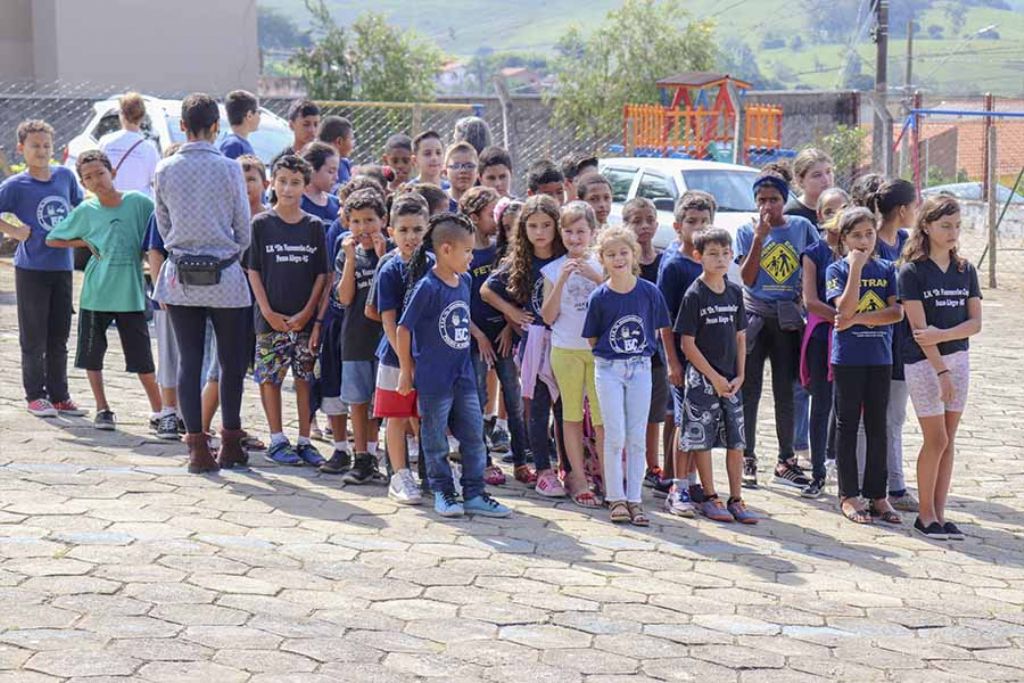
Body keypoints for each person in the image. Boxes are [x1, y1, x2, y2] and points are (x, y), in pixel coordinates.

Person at [151, 93, 252, 474]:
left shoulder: (165, 169)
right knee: (230, 361)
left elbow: (162, 225)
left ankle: (196, 448)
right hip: (225, 274)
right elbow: (243, 229)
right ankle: (230, 442)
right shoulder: (228, 168)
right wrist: (224, 250)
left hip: (180, 275)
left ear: (182, 126)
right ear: (216, 127)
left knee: (188, 360)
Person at [397, 213, 512, 519]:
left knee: (474, 435)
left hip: (463, 376)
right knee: (435, 439)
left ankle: (474, 492)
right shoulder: (427, 287)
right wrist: (407, 373)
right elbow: (403, 329)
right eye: (467, 252)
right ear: (446, 250)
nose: (472, 258)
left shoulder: (465, 281)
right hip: (433, 379)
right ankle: (442, 490)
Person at [46, 149, 162, 429]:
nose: (96, 180)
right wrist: (84, 242)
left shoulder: (139, 203)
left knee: (142, 359)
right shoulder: (86, 210)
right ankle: (103, 408)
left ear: (113, 172)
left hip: (131, 295)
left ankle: (161, 411)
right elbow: (53, 238)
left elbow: (156, 233)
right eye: (88, 177)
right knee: (92, 356)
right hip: (95, 295)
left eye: (100, 173)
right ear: (83, 184)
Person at [898, 195, 981, 540]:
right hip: (924, 362)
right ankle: (925, 515)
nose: (953, 232)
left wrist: (945, 334)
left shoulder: (965, 269)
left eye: (957, 226)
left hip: (958, 358)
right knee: (936, 438)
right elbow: (919, 332)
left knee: (949, 440)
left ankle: (941, 514)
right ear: (927, 227)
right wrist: (940, 371)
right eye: (945, 226)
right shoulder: (912, 271)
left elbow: (974, 323)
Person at [736, 168, 818, 490]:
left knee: (786, 391)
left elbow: (814, 263)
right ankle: (747, 455)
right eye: (762, 200)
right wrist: (759, 237)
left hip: (787, 320)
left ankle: (786, 460)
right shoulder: (747, 230)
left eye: (774, 200)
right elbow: (748, 277)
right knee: (749, 391)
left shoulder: (801, 228)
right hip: (755, 318)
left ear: (785, 200)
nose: (768, 206)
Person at [583, 227, 670, 527]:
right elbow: (593, 338)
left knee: (636, 437)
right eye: (611, 254)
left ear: (634, 254)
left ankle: (635, 498)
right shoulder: (600, 296)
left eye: (623, 252)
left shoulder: (649, 292)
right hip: (608, 367)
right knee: (614, 434)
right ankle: (615, 497)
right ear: (602, 259)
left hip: (641, 367)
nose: (618, 258)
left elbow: (657, 330)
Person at [480, 195, 567, 497]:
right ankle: (543, 469)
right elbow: (487, 289)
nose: (540, 232)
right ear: (523, 230)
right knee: (538, 407)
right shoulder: (519, 260)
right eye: (533, 226)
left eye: (546, 225)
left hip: (568, 344)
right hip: (534, 346)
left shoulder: (567, 257)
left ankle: (568, 468)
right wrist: (512, 313)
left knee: (566, 410)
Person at [246, 154, 328, 467]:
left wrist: (308, 313)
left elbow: (322, 275)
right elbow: (253, 269)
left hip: (302, 322)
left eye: (295, 183)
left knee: (305, 377)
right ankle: (277, 438)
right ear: (272, 183)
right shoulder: (262, 224)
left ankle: (305, 440)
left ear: (306, 186)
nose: (288, 188)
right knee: (271, 377)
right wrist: (266, 310)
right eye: (282, 181)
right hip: (271, 321)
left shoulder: (314, 226)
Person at [0, 119, 85, 418]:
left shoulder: (64, 176)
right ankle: (36, 395)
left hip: (62, 267)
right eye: (35, 146)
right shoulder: (15, 186)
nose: (41, 151)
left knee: (58, 334)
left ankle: (60, 395)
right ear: (21, 149)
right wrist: (14, 231)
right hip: (31, 269)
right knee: (33, 336)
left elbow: (80, 207)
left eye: (46, 145)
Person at [826, 206, 903, 525]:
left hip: (879, 358)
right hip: (848, 359)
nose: (864, 241)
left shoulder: (887, 268)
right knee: (846, 426)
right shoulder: (837, 270)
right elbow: (842, 308)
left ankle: (878, 494)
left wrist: (857, 319)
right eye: (856, 235)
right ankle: (848, 494)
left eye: (869, 234)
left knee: (878, 425)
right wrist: (855, 269)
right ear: (843, 239)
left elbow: (895, 313)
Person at [678, 228, 758, 524]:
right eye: (712, 253)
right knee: (702, 438)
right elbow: (688, 344)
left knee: (737, 441)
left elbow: (740, 337)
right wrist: (712, 376)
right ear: (698, 256)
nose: (720, 259)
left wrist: (740, 374)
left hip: (730, 379)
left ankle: (736, 497)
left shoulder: (735, 292)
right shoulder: (694, 294)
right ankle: (711, 496)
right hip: (702, 379)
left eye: (725, 253)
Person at [858, 178, 919, 512]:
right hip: (875, 339)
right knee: (871, 417)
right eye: (915, 205)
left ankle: (892, 484)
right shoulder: (872, 245)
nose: (917, 211)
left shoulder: (907, 242)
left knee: (894, 416)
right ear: (901, 209)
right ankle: (880, 485)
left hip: (902, 341)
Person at [540, 201, 605, 507]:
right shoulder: (553, 269)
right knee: (571, 415)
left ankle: (607, 476)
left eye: (581, 232)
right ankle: (577, 475)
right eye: (568, 232)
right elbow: (548, 315)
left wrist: (596, 278)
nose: (575, 238)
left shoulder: (603, 264)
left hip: (599, 352)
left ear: (593, 233)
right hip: (566, 350)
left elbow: (617, 299)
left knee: (603, 418)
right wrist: (562, 280)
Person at [371, 193, 429, 503]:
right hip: (395, 359)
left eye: (417, 229)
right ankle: (399, 475)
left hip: (428, 358)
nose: (411, 237)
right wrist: (407, 364)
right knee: (396, 415)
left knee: (426, 415)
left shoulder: (435, 266)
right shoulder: (390, 269)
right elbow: (388, 322)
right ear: (391, 231)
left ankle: (432, 473)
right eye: (403, 229)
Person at [657, 191, 713, 515]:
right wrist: (672, 361)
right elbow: (664, 319)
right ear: (678, 226)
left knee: (699, 417)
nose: (698, 227)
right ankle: (677, 483)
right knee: (683, 418)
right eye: (691, 222)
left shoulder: (710, 261)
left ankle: (688, 478)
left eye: (704, 221)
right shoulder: (675, 264)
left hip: (708, 357)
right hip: (682, 355)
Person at [798, 187, 849, 498]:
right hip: (822, 335)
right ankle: (817, 471)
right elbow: (810, 301)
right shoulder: (814, 252)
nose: (837, 217)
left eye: (843, 209)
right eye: (830, 211)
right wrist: (841, 317)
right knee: (821, 404)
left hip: (854, 338)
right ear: (819, 216)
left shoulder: (859, 251)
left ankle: (842, 468)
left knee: (847, 406)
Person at [336, 188, 389, 484]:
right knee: (357, 400)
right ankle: (361, 458)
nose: (363, 228)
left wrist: (381, 257)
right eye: (356, 221)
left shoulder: (392, 251)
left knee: (379, 401)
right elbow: (344, 298)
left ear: (383, 221)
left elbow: (392, 293)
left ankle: (375, 452)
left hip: (384, 339)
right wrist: (351, 258)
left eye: (369, 220)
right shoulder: (346, 255)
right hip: (355, 338)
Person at [461, 186, 512, 485]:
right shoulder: (466, 253)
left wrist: (508, 324)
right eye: (491, 212)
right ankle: (480, 459)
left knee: (511, 399)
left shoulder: (498, 251)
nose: (497, 218)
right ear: (473, 216)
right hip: (474, 339)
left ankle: (519, 459)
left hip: (502, 336)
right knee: (477, 399)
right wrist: (477, 334)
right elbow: (458, 300)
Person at [623, 198, 671, 494]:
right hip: (625, 349)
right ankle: (627, 462)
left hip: (656, 351)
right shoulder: (622, 261)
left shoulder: (665, 261)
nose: (643, 226)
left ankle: (652, 464)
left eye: (649, 219)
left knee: (654, 412)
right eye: (636, 220)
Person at [98, 92, 161, 196]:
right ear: (142, 116)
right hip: (139, 205)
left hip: (111, 201)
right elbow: (156, 181)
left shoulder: (106, 142)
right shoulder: (149, 148)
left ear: (121, 114)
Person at [785, 149, 834, 229]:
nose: (826, 179)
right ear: (800, 181)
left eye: (828, 172)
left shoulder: (841, 208)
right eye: (817, 175)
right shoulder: (792, 213)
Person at [300, 142, 341, 223]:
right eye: (331, 171)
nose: (336, 178)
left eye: (337, 171)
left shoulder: (337, 204)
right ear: (311, 169)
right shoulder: (297, 203)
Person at [274, 99, 321, 164]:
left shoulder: (325, 159)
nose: (312, 130)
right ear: (291, 125)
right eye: (306, 124)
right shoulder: (282, 161)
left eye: (316, 124)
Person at [316, 115, 354, 190]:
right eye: (351, 139)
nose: (353, 143)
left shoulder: (344, 163)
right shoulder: (318, 164)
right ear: (339, 141)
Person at [219, 90, 260, 160]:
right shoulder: (233, 145)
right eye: (258, 112)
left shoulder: (238, 143)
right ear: (249, 115)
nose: (259, 117)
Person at [445, 141, 479, 208]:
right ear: (445, 172)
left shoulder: (483, 203)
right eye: (456, 166)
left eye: (469, 166)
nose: (463, 171)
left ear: (477, 171)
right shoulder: (440, 202)